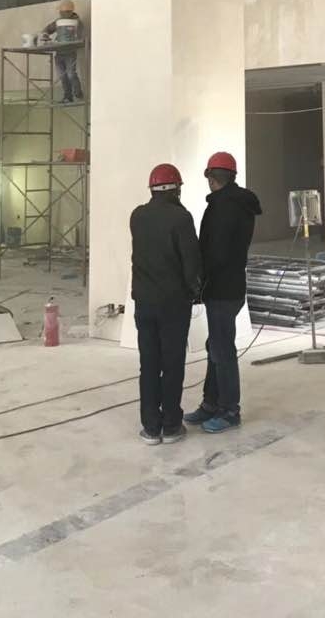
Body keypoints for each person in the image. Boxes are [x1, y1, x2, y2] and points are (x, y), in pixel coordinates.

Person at [185, 151, 261, 434]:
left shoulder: (222, 208)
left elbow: (215, 252)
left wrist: (197, 280)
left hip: (221, 288)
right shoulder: (240, 204)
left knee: (222, 349)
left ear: (211, 178)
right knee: (215, 345)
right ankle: (211, 403)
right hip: (232, 286)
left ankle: (229, 410)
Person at [130, 163, 201, 446]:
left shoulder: (137, 216)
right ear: (176, 189)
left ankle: (150, 427)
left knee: (148, 364)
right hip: (173, 304)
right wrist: (195, 290)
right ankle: (171, 425)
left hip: (144, 302)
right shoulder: (181, 218)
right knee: (172, 364)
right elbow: (191, 261)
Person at [42, 0, 84, 103]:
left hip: (70, 52)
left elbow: (80, 36)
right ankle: (68, 97)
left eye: (64, 12)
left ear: (70, 12)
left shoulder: (77, 22)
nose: (63, 14)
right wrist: (45, 34)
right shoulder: (58, 22)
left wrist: (78, 40)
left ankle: (78, 93)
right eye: (61, 12)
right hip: (59, 52)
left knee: (71, 74)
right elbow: (47, 29)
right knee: (62, 76)